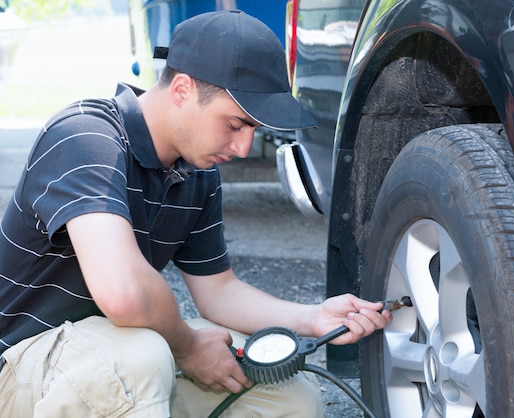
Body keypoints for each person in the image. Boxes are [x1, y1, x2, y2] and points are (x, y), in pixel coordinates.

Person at [0, 9, 392, 418]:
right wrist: (187, 347)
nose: (242, 148)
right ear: (183, 89)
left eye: (254, 130)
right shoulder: (84, 138)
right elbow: (123, 295)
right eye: (236, 124)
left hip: (105, 359)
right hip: (22, 368)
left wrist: (313, 317)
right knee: (139, 359)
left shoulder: (196, 173)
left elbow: (219, 292)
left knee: (287, 396)